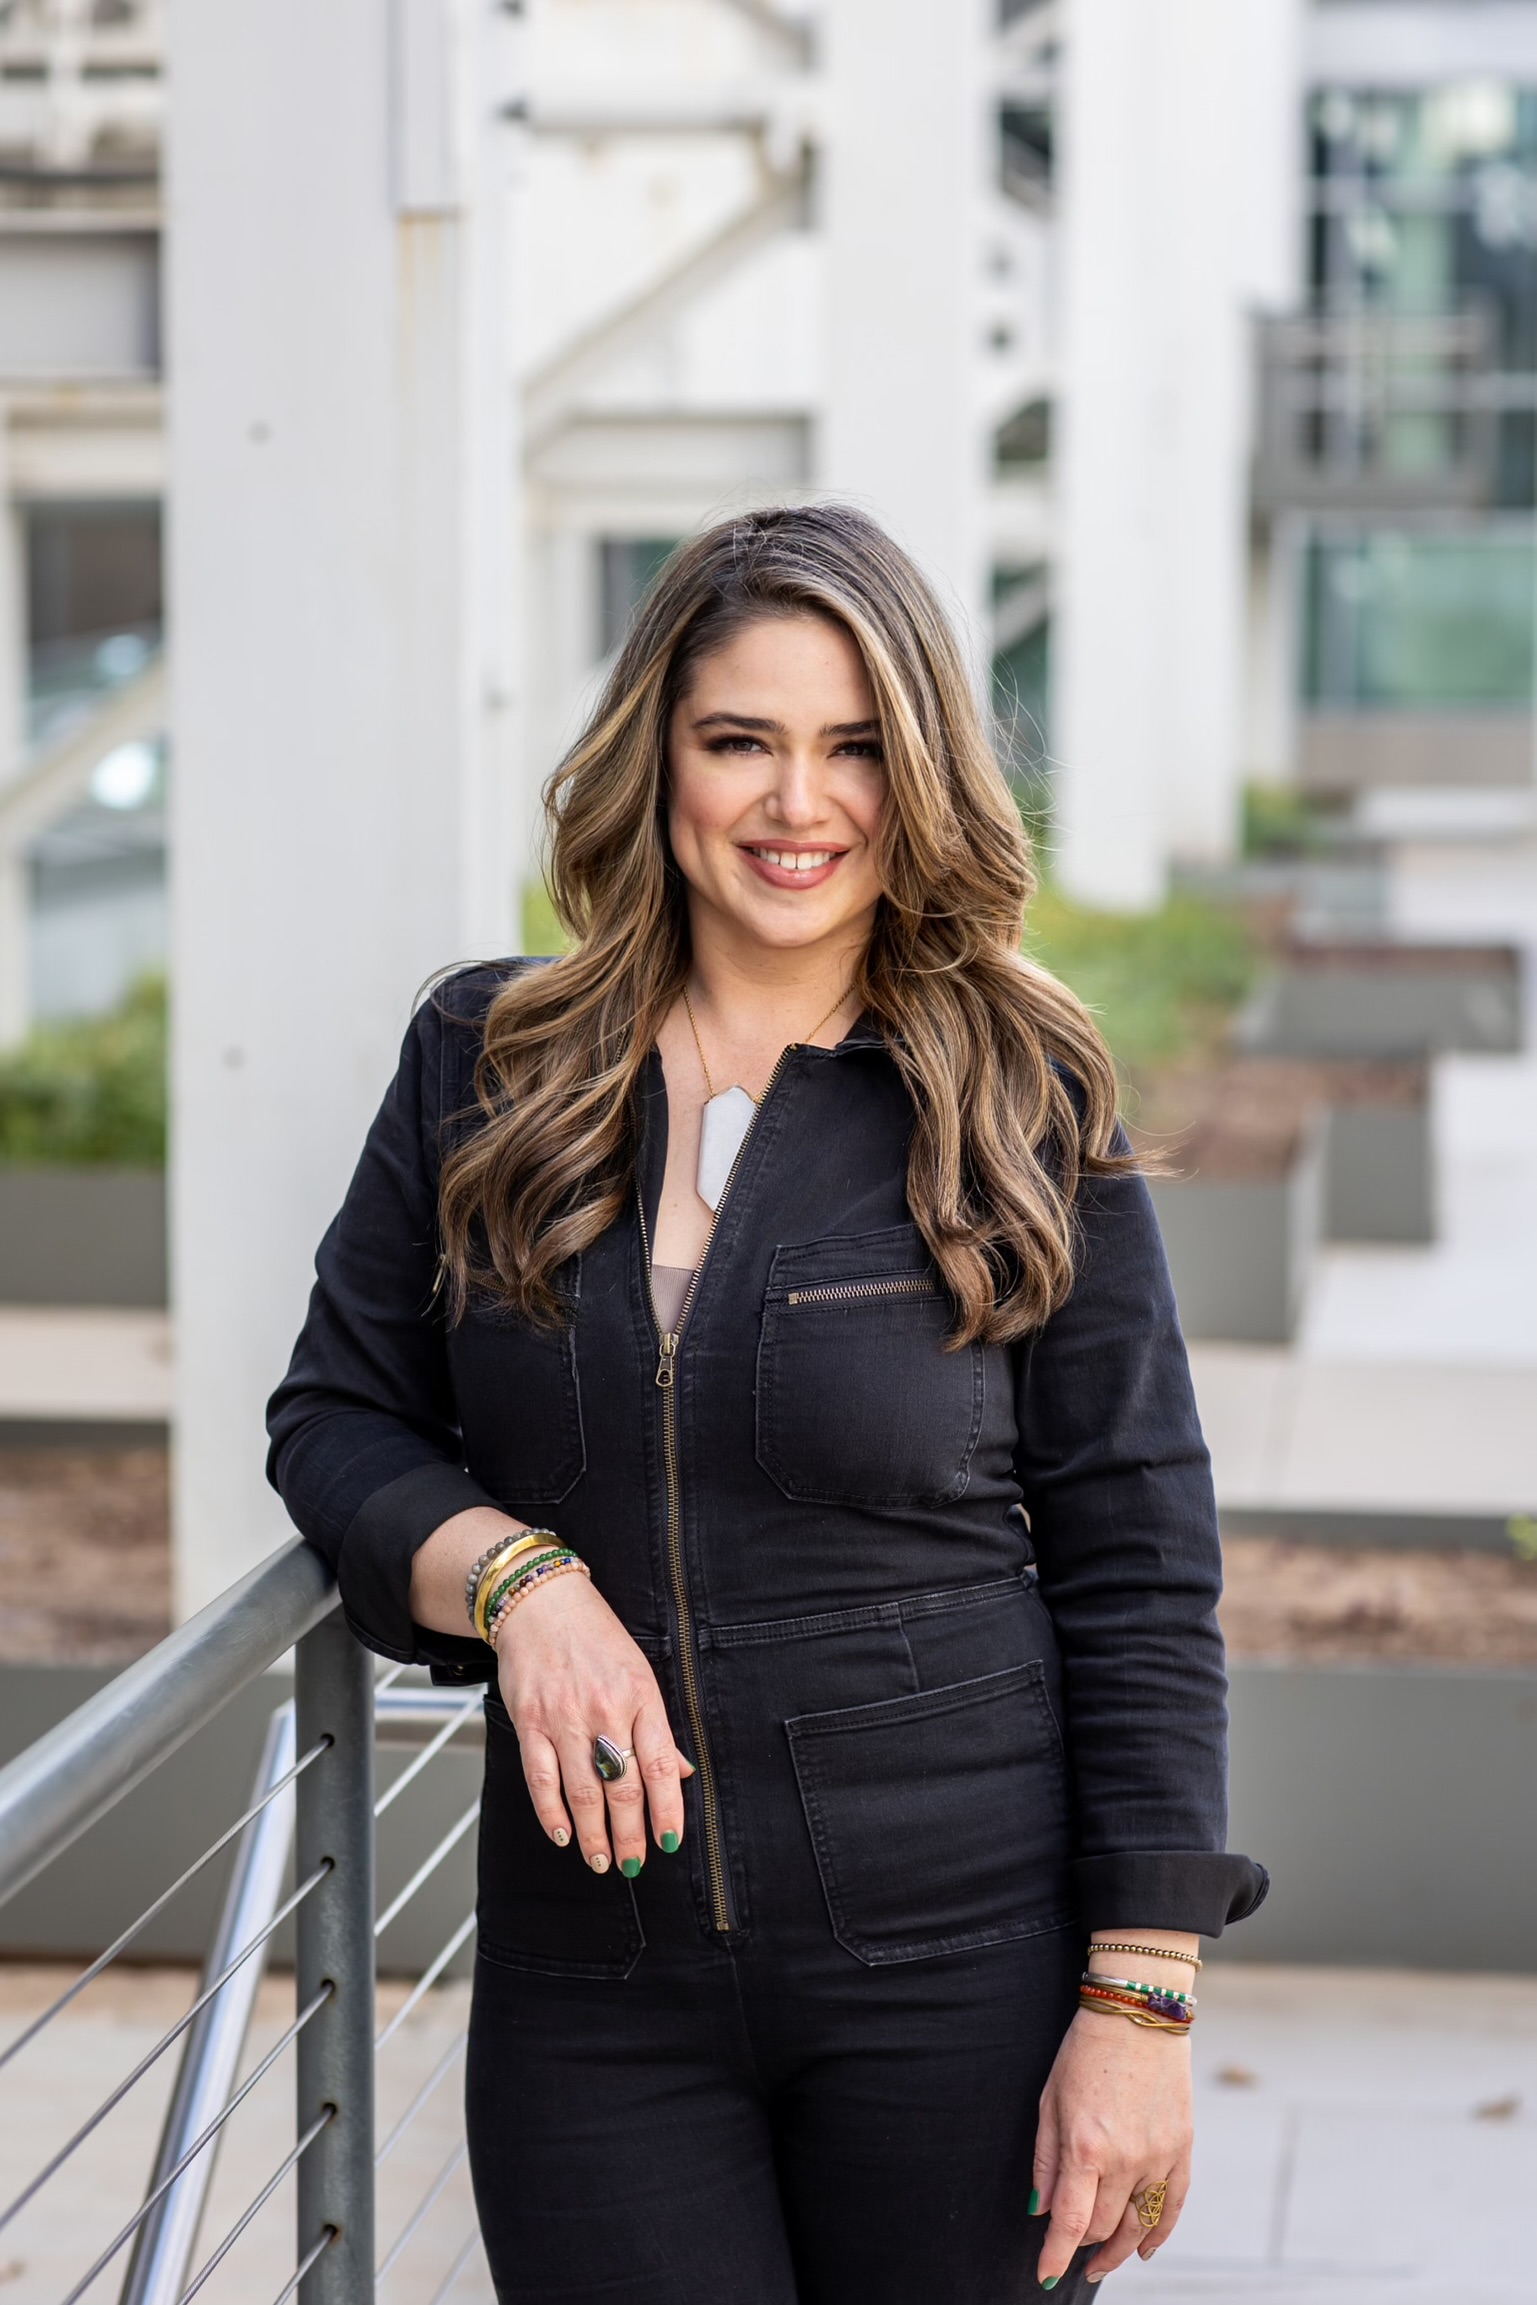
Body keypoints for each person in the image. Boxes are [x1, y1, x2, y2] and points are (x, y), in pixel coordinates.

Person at [268, 503, 1266, 2303]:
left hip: (961, 1980)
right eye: (740, 739)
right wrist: (519, 1580)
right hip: (594, 1990)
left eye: (854, 746)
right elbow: (337, 1416)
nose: (798, 803)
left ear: (921, 771)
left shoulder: (1015, 1090)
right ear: (656, 755)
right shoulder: (486, 1065)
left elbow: (1135, 1552)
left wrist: (1140, 1999)